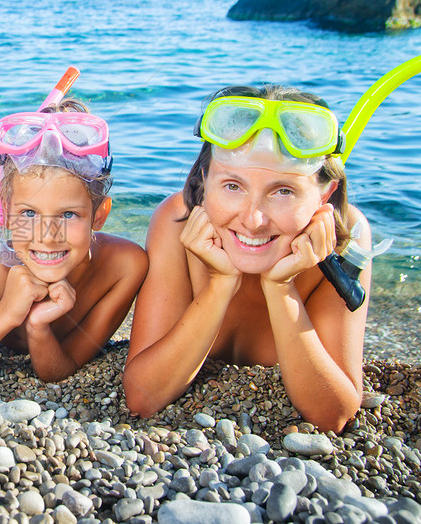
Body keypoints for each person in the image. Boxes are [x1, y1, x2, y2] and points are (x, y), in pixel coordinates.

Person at [124, 84, 371, 433]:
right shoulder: (176, 221)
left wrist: (280, 287)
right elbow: (142, 397)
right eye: (232, 186)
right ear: (204, 180)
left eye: (283, 191)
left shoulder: (347, 238)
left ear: (324, 195)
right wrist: (220, 285)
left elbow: (333, 415)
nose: (253, 220)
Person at [0, 72, 147, 387]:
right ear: (5, 213)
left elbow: (61, 369)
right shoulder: (4, 264)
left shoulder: (126, 266)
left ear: (99, 215)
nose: (47, 235)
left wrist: (38, 325)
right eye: (29, 213)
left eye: (68, 214)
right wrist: (5, 315)